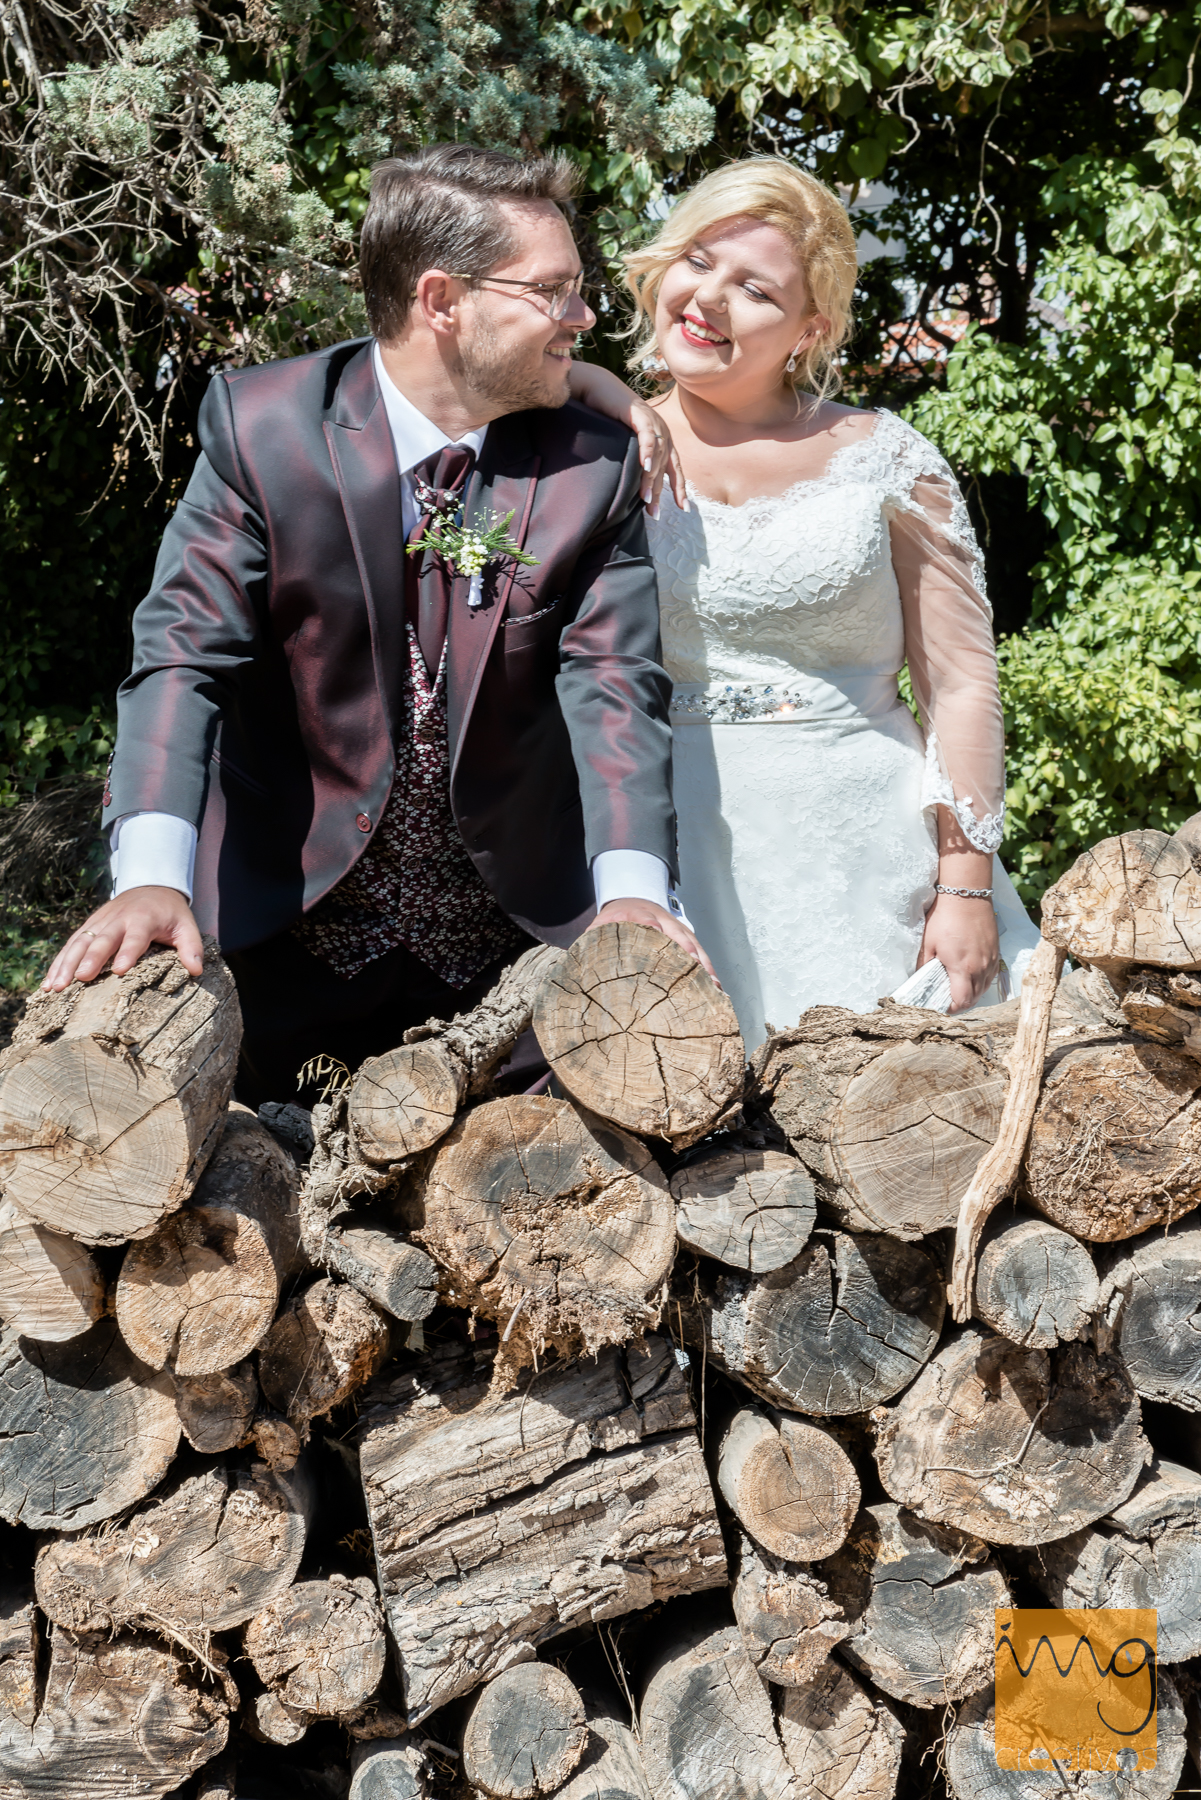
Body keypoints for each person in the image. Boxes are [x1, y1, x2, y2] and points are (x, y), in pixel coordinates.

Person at [43, 143, 708, 1104]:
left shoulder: (590, 468)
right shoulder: (263, 427)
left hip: (509, 975)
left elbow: (616, 688)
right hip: (277, 946)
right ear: (441, 301)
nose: (586, 316)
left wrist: (635, 892)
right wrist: (152, 876)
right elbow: (183, 657)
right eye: (552, 291)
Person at [572, 156, 1038, 1048]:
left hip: (867, 849)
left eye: (754, 290)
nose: (708, 299)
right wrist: (596, 388)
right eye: (697, 261)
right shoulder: (594, 452)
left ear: (806, 330)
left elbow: (961, 684)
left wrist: (966, 883)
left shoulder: (886, 459)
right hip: (667, 848)